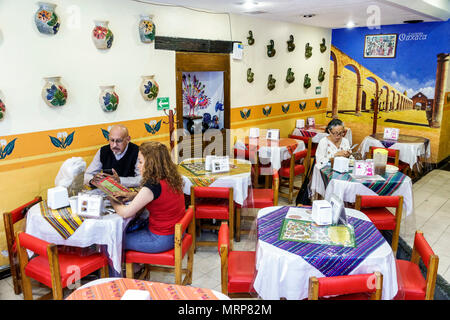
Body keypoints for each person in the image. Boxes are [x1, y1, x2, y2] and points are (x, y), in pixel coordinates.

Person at [108, 141, 186, 255]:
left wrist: (112, 199)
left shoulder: (152, 185)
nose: (138, 166)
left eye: (140, 162)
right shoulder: (170, 177)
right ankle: (135, 267)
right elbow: (160, 197)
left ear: (150, 164)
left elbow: (125, 213)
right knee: (131, 228)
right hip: (176, 233)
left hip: (161, 238)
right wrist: (132, 195)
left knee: (113, 240)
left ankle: (130, 270)